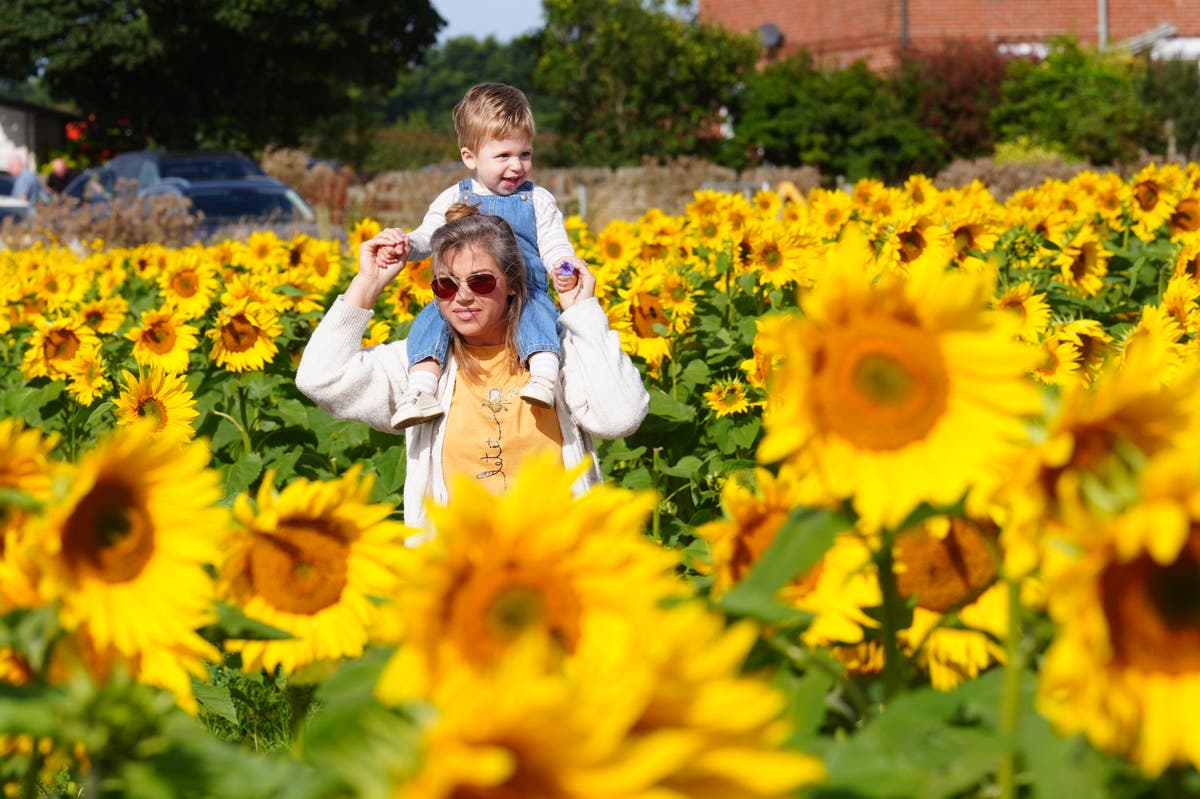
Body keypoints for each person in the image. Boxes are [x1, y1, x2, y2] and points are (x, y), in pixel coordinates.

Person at [295, 203, 648, 531]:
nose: (462, 296)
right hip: (459, 573)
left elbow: (621, 417)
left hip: (558, 565)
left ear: (512, 283)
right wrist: (368, 283)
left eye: (480, 281)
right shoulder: (422, 367)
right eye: (445, 286)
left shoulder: (557, 356)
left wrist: (582, 313)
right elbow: (321, 378)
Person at [379, 83, 584, 430]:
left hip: (523, 292)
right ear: (470, 157)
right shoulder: (454, 197)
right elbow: (429, 235)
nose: (516, 167)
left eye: (525, 154)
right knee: (431, 320)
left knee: (540, 313)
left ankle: (544, 379)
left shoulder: (537, 200)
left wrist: (564, 266)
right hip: (467, 295)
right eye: (503, 156)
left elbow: (554, 244)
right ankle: (422, 389)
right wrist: (406, 246)